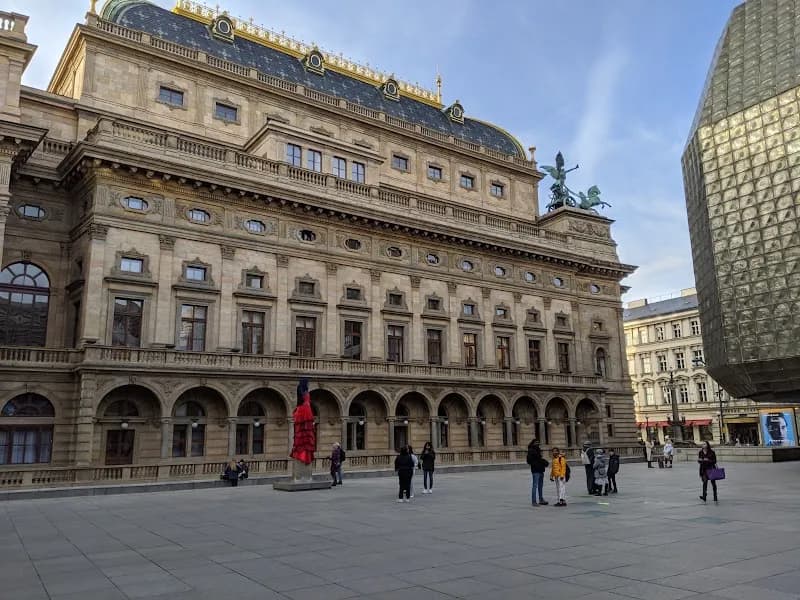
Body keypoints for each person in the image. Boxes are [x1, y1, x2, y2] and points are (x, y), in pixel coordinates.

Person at [290, 378, 315, 465]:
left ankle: (302, 453)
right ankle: (303, 454)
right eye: (307, 383)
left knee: (303, 431)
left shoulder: (301, 391)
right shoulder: (304, 392)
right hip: (305, 409)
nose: (308, 384)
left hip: (302, 409)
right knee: (305, 431)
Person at [526, 439, 549, 506]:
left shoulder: (538, 450)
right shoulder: (531, 450)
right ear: (533, 443)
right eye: (536, 442)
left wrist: (542, 462)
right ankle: (534, 501)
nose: (537, 443)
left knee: (540, 486)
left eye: (538, 442)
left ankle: (541, 499)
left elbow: (539, 459)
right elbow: (529, 461)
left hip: (541, 469)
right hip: (535, 470)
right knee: (535, 485)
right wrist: (536, 463)